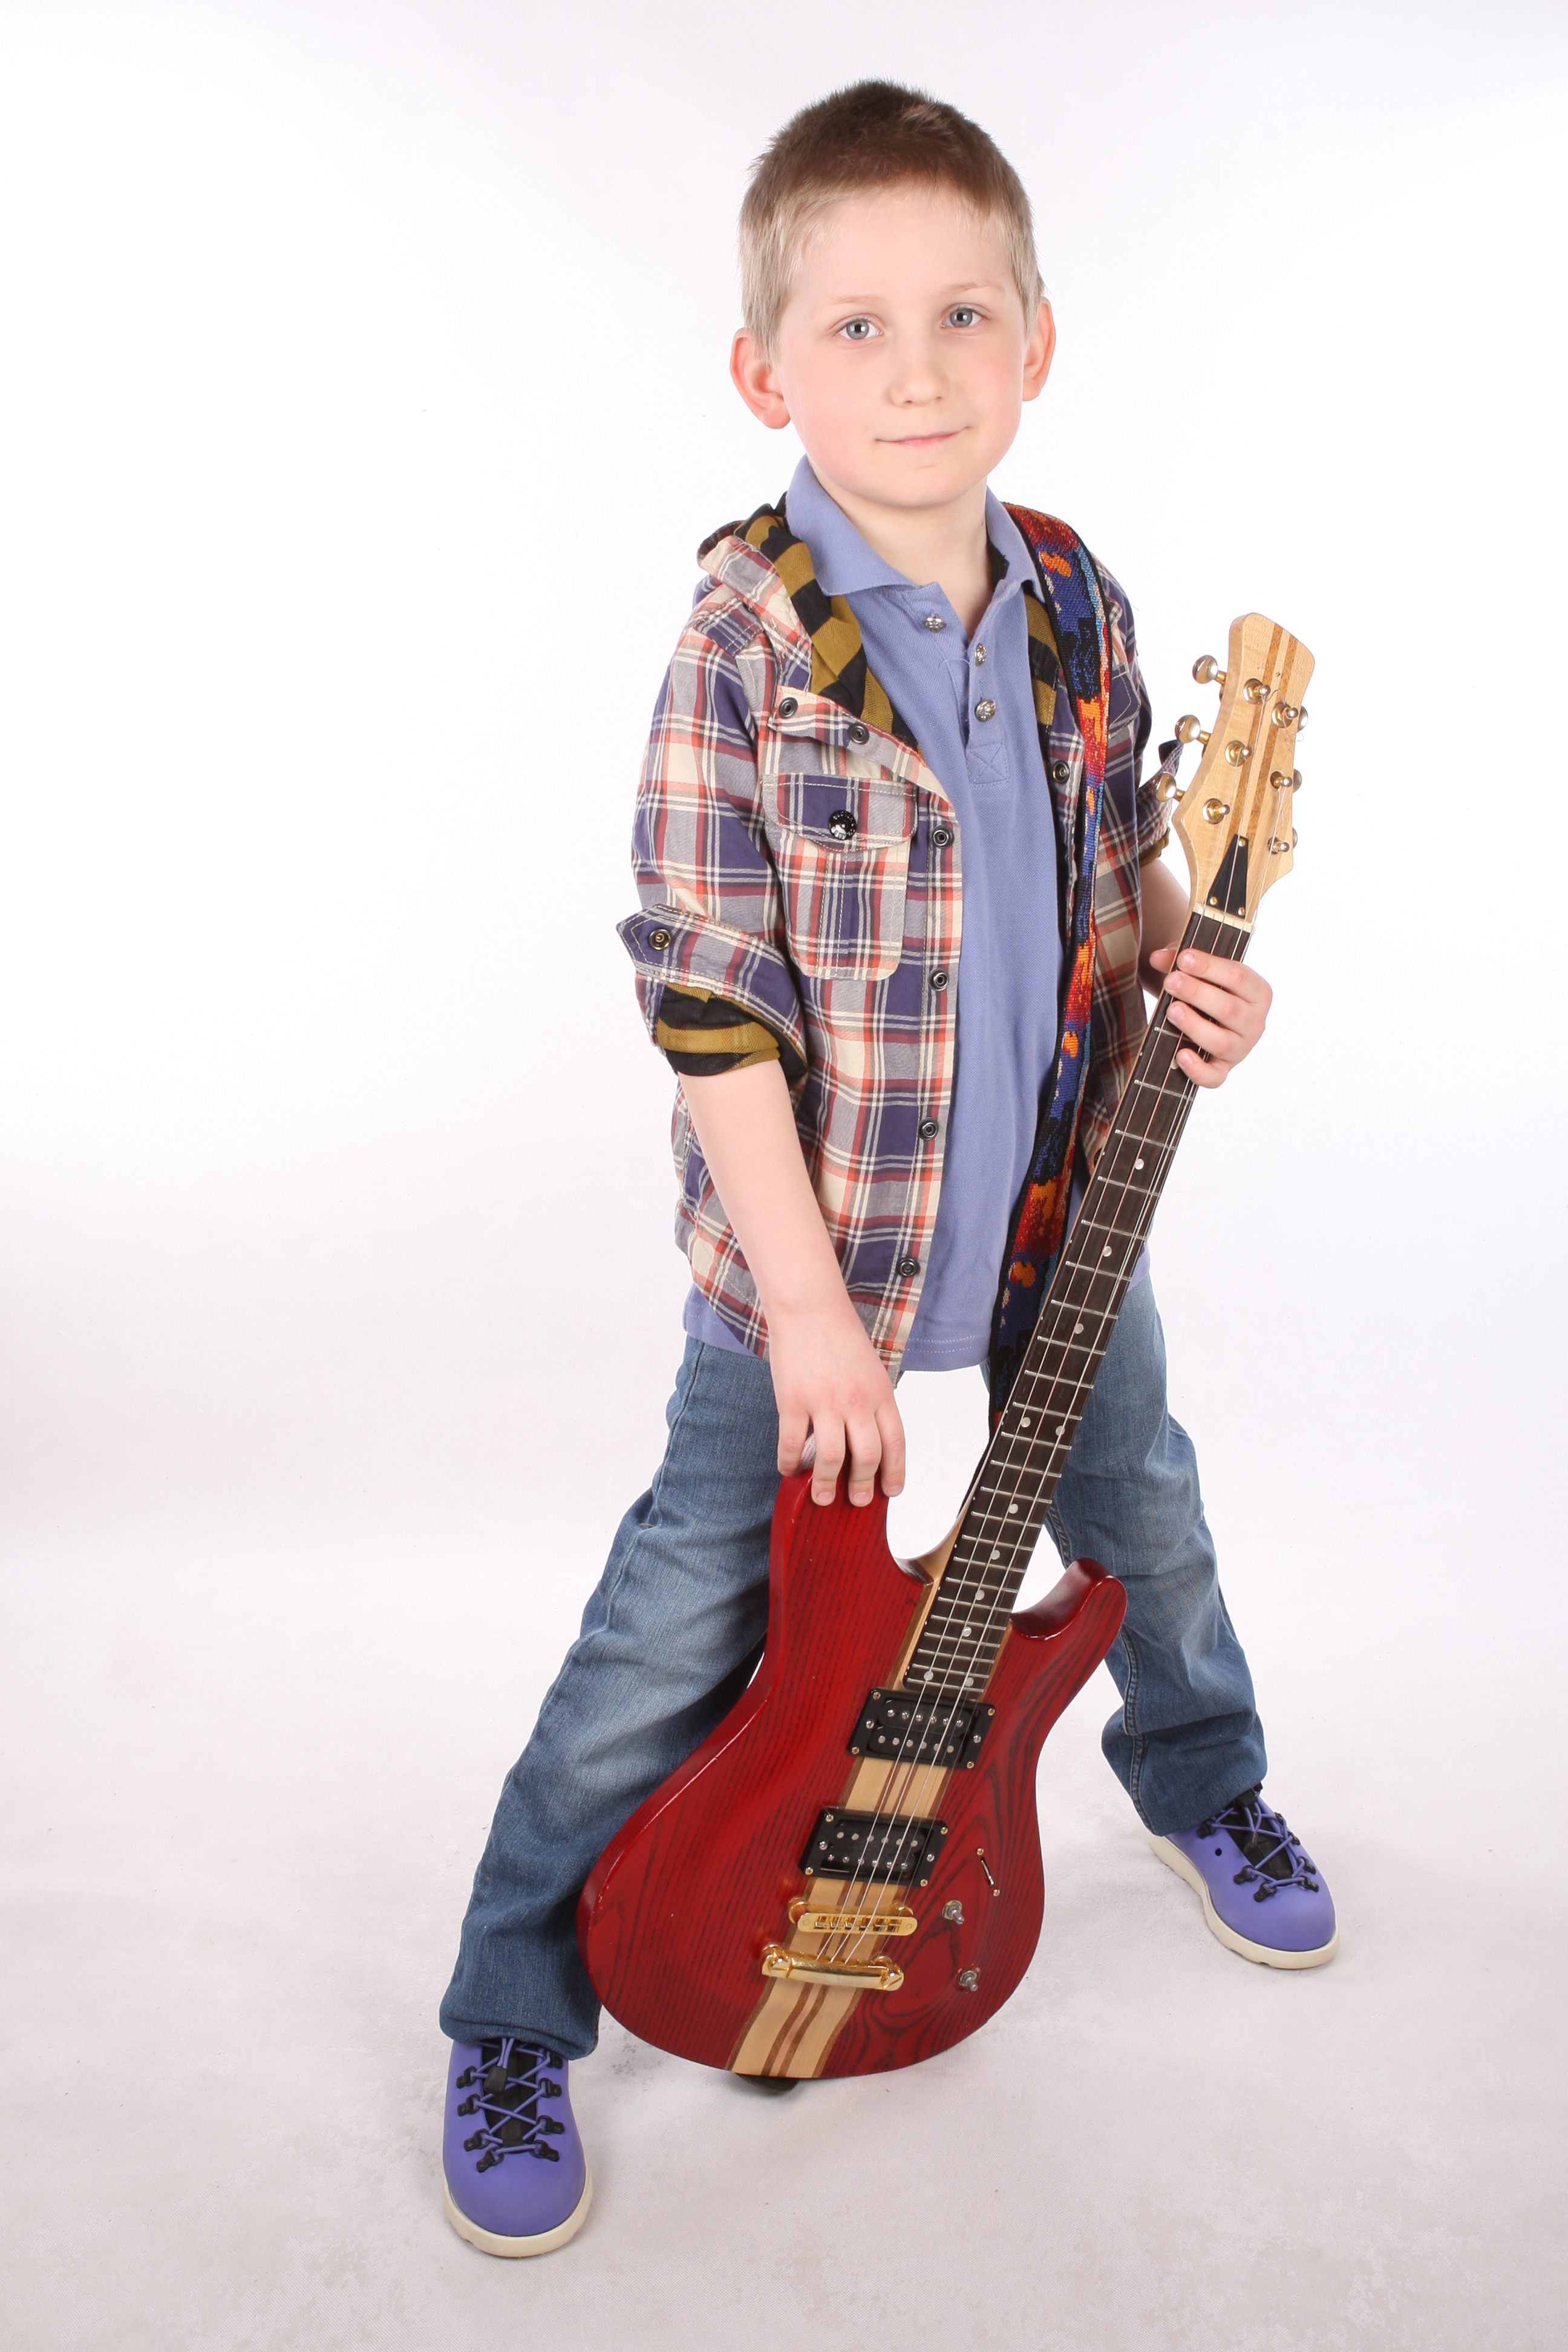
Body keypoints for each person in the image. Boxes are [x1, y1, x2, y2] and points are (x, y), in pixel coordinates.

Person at [437, 80, 1336, 2261]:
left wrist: (1200, 979)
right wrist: (810, 1317)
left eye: (960, 316)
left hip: (1052, 1225)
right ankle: (512, 2009)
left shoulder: (1076, 603)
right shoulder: (743, 643)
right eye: (855, 325)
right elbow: (710, 999)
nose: (916, 369)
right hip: (806, 1269)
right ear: (767, 372)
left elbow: (1124, 890)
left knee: (1147, 1523)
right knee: (675, 1625)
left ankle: (1207, 1787)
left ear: (1039, 342)